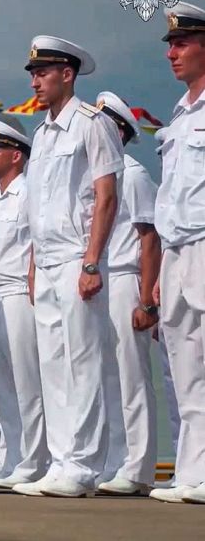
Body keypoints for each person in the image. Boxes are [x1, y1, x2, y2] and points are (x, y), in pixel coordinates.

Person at [15, 37, 124, 499]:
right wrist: (35, 265)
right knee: (53, 365)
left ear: (67, 74)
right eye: (33, 74)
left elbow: (106, 195)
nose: (35, 81)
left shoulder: (91, 124)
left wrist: (93, 260)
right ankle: (61, 461)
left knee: (82, 361)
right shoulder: (40, 135)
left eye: (43, 72)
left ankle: (82, 465)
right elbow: (39, 207)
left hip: (79, 258)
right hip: (48, 261)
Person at [90, 92, 161, 496]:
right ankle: (115, 460)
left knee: (132, 377)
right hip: (103, 281)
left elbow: (149, 238)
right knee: (107, 377)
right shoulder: (102, 178)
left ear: (118, 131)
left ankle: (138, 466)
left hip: (126, 278)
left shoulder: (132, 175)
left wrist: (146, 300)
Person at [151, 2, 205, 505]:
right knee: (182, 368)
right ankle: (191, 472)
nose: (173, 52)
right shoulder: (180, 114)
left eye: (182, 43)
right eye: (170, 44)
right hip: (177, 250)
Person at [0, 121, 49, 488]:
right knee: (2, 386)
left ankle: (35, 459)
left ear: (16, 156)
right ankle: (12, 457)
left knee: (27, 382)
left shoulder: (26, 193)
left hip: (19, 294)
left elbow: (36, 242)